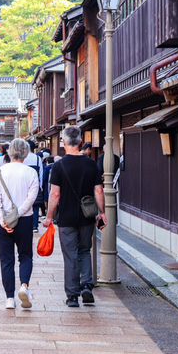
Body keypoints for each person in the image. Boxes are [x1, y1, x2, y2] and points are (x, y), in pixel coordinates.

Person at [43, 126, 106, 308]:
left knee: (70, 255)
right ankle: (86, 285)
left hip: (66, 217)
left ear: (63, 143)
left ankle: (72, 296)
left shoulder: (59, 165)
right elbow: (99, 190)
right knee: (85, 250)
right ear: (79, 142)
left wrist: (49, 217)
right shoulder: (91, 163)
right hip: (87, 216)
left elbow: (55, 195)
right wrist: (101, 212)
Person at [0, 139, 39, 310]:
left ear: (10, 152)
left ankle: (9, 298)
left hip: (3, 220)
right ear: (26, 153)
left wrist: (2, 219)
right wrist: (18, 213)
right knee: (25, 256)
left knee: (6, 260)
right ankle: (24, 286)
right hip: (25, 219)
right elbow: (31, 198)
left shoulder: (0, 171)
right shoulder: (31, 172)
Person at [23, 140, 44, 232]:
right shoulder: (37, 158)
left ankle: (25, 224)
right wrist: (41, 185)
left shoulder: (22, 157)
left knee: (24, 204)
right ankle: (34, 226)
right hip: (35, 184)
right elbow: (41, 173)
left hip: (23, 184)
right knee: (35, 206)